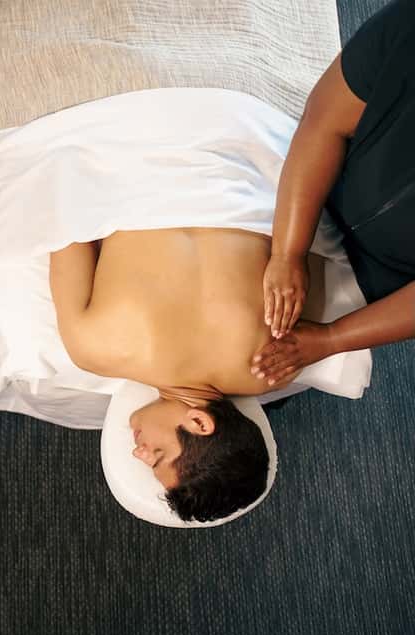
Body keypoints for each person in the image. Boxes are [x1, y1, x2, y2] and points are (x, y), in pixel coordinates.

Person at [49, 229, 284, 521]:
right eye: (157, 455)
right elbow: (67, 228)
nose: (138, 453)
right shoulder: (95, 348)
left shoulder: (275, 366)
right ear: (199, 422)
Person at [253, 0, 415, 384]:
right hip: (327, 183)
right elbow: (324, 123)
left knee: (269, 363)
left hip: (385, 279)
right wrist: (287, 253)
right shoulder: (406, 26)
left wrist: (331, 339)